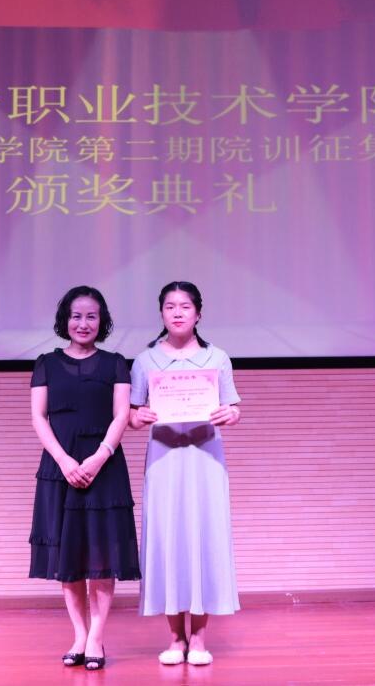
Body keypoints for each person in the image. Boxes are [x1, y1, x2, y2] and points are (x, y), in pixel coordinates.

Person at [128, 281, 242, 666]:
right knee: (168, 539)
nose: (177, 312)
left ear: (198, 313)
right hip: (164, 459)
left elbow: (232, 407)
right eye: (170, 306)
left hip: (205, 458)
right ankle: (175, 638)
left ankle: (200, 638)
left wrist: (231, 414)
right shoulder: (145, 360)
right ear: (161, 313)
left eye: (185, 306)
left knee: (203, 537)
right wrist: (139, 417)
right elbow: (132, 415)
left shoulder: (216, 358)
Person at [29, 285, 140, 671]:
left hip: (104, 469)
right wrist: (63, 461)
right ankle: (79, 635)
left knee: (102, 557)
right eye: (76, 316)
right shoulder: (46, 363)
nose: (83, 323)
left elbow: (122, 415)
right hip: (59, 470)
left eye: (91, 316)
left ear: (102, 321)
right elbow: (38, 417)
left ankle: (96, 638)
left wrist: (98, 457)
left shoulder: (115, 363)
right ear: (65, 319)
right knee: (69, 556)